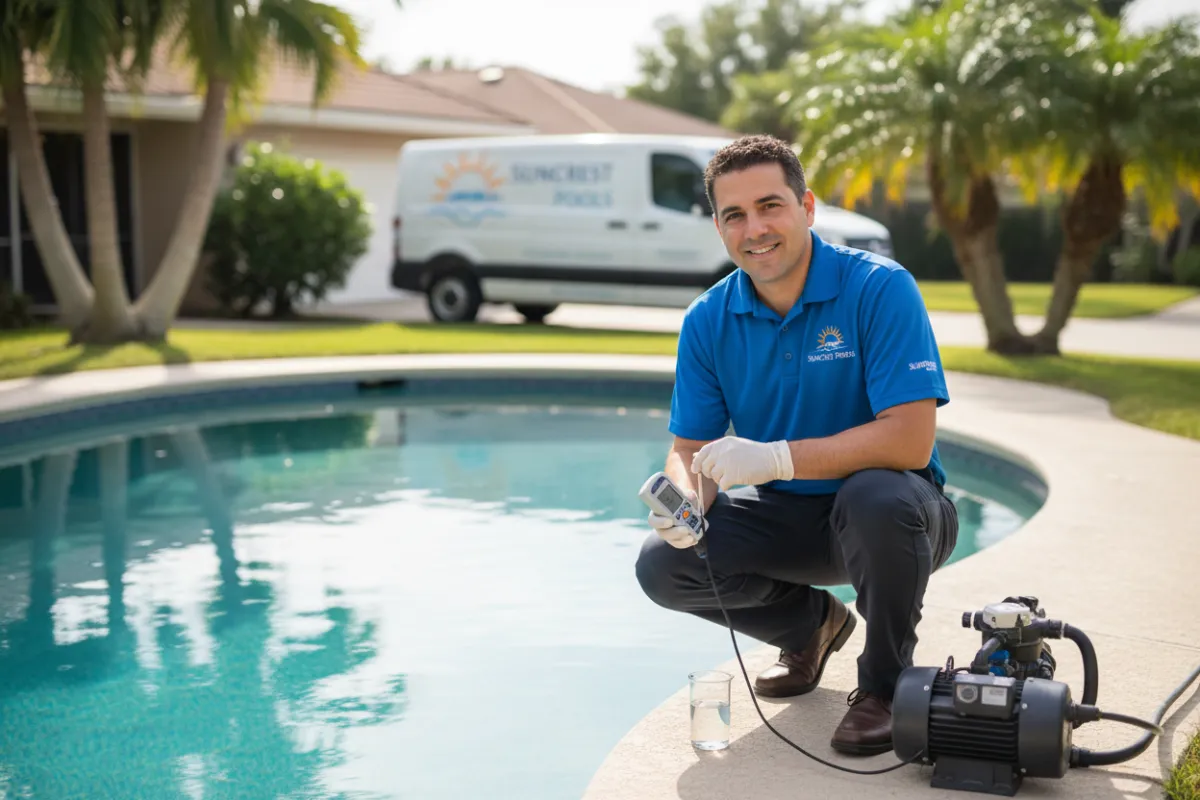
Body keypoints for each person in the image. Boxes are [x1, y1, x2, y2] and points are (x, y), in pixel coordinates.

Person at [634, 135, 959, 757]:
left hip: (900, 516)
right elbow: (691, 446)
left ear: (807, 207)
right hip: (788, 518)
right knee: (663, 564)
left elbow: (911, 441)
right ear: (719, 228)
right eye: (734, 215)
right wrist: (687, 497)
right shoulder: (707, 319)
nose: (754, 229)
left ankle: (886, 687)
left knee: (874, 495)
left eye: (770, 206)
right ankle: (811, 627)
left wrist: (777, 457)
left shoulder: (880, 288)